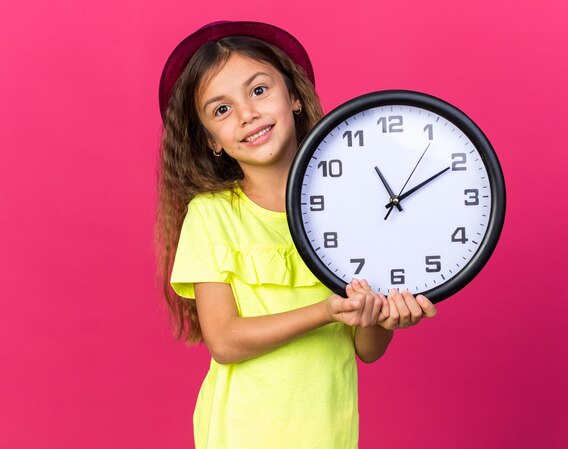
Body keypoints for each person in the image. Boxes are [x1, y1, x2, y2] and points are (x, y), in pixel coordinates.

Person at [155, 21, 437, 449]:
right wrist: (325, 311)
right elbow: (225, 340)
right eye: (221, 110)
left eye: (258, 90)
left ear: (295, 97)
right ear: (211, 141)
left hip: (330, 432)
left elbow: (367, 348)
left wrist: (385, 317)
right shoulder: (211, 216)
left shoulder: (353, 209)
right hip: (241, 434)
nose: (247, 114)